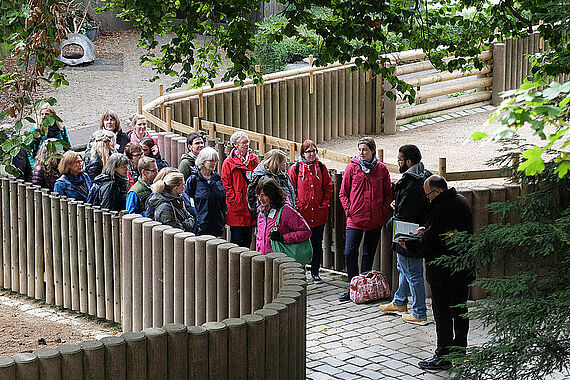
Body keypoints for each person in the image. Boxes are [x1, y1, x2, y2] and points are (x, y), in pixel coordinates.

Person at [402, 175, 474, 371]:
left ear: (438, 191)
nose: (427, 199)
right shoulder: (461, 201)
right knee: (460, 309)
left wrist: (409, 243)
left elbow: (430, 245)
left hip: (443, 272)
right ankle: (459, 348)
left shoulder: (440, 209)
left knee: (442, 314)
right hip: (462, 267)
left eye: (428, 195)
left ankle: (443, 356)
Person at [379, 145, 431, 324]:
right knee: (404, 269)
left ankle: (419, 312)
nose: (398, 162)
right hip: (414, 230)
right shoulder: (424, 173)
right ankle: (400, 302)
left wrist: (392, 228)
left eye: (400, 160)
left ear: (409, 161)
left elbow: (406, 214)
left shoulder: (411, 183)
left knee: (414, 273)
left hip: (408, 234)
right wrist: (398, 203)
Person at [338, 137, 392, 301]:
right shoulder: (352, 168)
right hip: (355, 219)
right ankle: (352, 286)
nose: (362, 153)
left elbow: (388, 193)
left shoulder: (382, 169)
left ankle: (365, 287)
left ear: (372, 151)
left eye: (365, 150)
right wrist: (349, 211)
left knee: (368, 254)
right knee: (350, 252)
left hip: (374, 220)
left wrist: (382, 211)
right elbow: (343, 193)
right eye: (360, 149)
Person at [288, 140, 333, 283]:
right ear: (302, 153)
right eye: (308, 151)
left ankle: (315, 272)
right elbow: (291, 190)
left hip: (318, 214)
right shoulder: (295, 169)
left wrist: (324, 204)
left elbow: (328, 187)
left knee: (316, 244)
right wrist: (298, 205)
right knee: (300, 244)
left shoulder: (321, 167)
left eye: (314, 151)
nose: (311, 154)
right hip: (302, 215)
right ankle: (300, 272)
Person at [221, 131, 259, 248]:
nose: (246, 145)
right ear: (236, 145)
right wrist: (233, 200)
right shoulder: (228, 162)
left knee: (248, 239)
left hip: (249, 204)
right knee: (236, 241)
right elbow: (226, 184)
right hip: (236, 207)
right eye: (243, 143)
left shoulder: (253, 160)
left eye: (247, 142)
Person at [255, 178, 311, 255]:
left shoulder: (286, 211)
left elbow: (306, 232)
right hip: (263, 259)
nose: (260, 199)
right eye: (259, 195)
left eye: (263, 195)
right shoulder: (261, 211)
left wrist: (283, 238)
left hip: (279, 261)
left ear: (272, 195)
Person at [185, 147, 226, 237]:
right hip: (200, 227)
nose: (214, 163)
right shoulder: (193, 180)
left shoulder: (217, 179)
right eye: (211, 160)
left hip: (216, 226)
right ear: (203, 161)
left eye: (216, 160)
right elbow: (187, 201)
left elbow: (223, 201)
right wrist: (197, 220)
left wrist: (222, 218)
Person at [247, 149, 295, 219]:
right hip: (273, 217)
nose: (287, 164)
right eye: (284, 162)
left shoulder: (283, 175)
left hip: (286, 213)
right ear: (277, 163)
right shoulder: (266, 179)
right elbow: (266, 201)